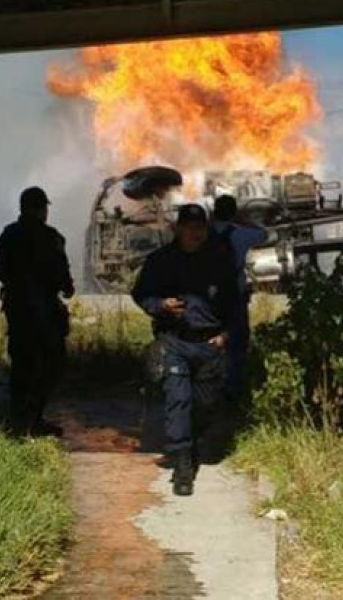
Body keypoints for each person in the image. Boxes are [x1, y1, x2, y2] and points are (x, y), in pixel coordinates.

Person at [132, 203, 238, 496]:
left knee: (206, 404)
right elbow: (141, 294)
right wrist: (160, 306)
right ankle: (182, 466)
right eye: (189, 227)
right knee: (178, 401)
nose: (195, 233)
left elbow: (236, 302)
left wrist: (227, 334)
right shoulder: (161, 261)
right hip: (175, 341)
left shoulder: (219, 261)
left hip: (209, 343)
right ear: (178, 228)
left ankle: (191, 443)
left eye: (200, 227)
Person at [0, 186, 74, 436]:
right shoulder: (51, 238)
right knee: (51, 366)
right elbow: (64, 278)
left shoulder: (7, 236)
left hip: (18, 311)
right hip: (44, 312)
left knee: (21, 366)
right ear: (41, 209)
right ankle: (34, 418)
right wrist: (66, 288)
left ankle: (19, 423)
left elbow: (3, 272)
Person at [210, 195, 268, 400]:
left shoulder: (202, 233)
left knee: (207, 339)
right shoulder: (241, 234)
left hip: (205, 299)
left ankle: (208, 385)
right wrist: (243, 219)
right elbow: (263, 234)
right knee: (237, 344)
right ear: (233, 212)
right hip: (234, 296)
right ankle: (233, 391)